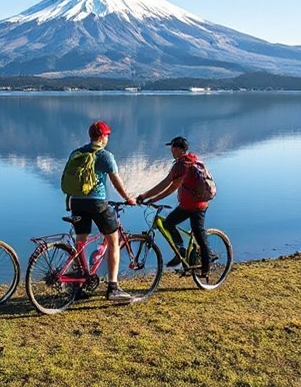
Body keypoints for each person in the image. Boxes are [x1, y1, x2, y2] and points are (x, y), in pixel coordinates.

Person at [67, 121, 138, 302]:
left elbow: (71, 179)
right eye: (106, 135)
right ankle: (113, 287)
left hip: (76, 202)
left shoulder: (76, 153)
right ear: (102, 137)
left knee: (80, 241)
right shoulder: (105, 155)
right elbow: (116, 181)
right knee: (113, 240)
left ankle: (78, 285)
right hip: (96, 203)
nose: (107, 138)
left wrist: (69, 200)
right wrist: (128, 197)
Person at [137, 136, 213, 276]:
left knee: (199, 235)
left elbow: (168, 185)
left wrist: (148, 197)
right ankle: (182, 250)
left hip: (195, 206)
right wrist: (151, 198)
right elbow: (172, 185)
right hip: (189, 205)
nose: (171, 150)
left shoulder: (182, 165)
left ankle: (205, 269)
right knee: (169, 222)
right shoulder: (191, 160)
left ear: (178, 149)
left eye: (172, 147)